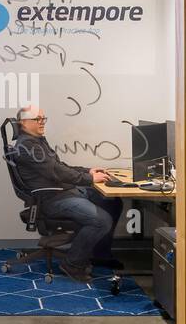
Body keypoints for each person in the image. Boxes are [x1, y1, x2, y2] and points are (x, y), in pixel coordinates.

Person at [8, 104, 122, 283]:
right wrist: (90, 180)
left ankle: (99, 254)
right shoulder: (28, 146)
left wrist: (88, 171)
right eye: (37, 119)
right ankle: (72, 264)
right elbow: (57, 172)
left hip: (63, 191)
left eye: (43, 118)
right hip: (52, 199)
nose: (42, 122)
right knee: (101, 221)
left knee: (112, 202)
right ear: (23, 123)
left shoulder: (37, 140)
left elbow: (60, 167)